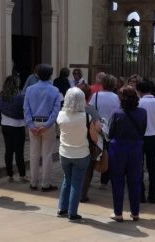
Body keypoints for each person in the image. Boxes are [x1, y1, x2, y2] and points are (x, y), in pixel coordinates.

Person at [56, 88, 98, 222]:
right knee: (76, 183)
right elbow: (95, 138)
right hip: (81, 154)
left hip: (64, 153)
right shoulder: (86, 117)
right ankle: (72, 213)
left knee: (66, 180)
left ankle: (62, 209)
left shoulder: (61, 115)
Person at [108, 86, 147, 222]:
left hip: (118, 148)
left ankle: (118, 212)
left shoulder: (116, 113)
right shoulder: (143, 112)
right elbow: (143, 130)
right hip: (135, 148)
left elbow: (110, 133)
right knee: (135, 180)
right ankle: (135, 212)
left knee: (117, 180)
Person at [24, 63, 61, 192]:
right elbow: (56, 110)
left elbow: (26, 108)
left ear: (37, 75)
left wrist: (31, 124)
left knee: (34, 155)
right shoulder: (55, 90)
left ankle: (33, 182)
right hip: (47, 125)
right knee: (47, 155)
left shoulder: (30, 89)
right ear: (50, 75)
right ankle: (46, 184)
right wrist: (47, 125)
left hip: (33, 123)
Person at [137, 79, 155, 204]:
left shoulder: (138, 102)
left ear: (139, 91)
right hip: (154, 137)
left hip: (139, 137)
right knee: (152, 167)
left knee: (138, 166)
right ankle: (153, 195)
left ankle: (140, 194)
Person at [90, 74, 120, 188]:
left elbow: (92, 111)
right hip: (111, 129)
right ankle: (105, 180)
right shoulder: (117, 97)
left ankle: (89, 178)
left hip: (97, 127)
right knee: (108, 154)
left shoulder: (96, 95)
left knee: (94, 152)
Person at [0, 75, 27, 183]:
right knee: (19, 152)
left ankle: (10, 175)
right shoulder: (20, 96)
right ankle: (22, 175)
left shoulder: (1, 95)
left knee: (8, 151)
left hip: (5, 125)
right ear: (16, 83)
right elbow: (23, 111)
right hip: (18, 126)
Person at [78, 83, 102, 203]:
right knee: (87, 170)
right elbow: (97, 128)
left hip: (72, 142)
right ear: (89, 95)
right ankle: (83, 194)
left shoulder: (68, 108)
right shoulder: (91, 109)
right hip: (87, 143)